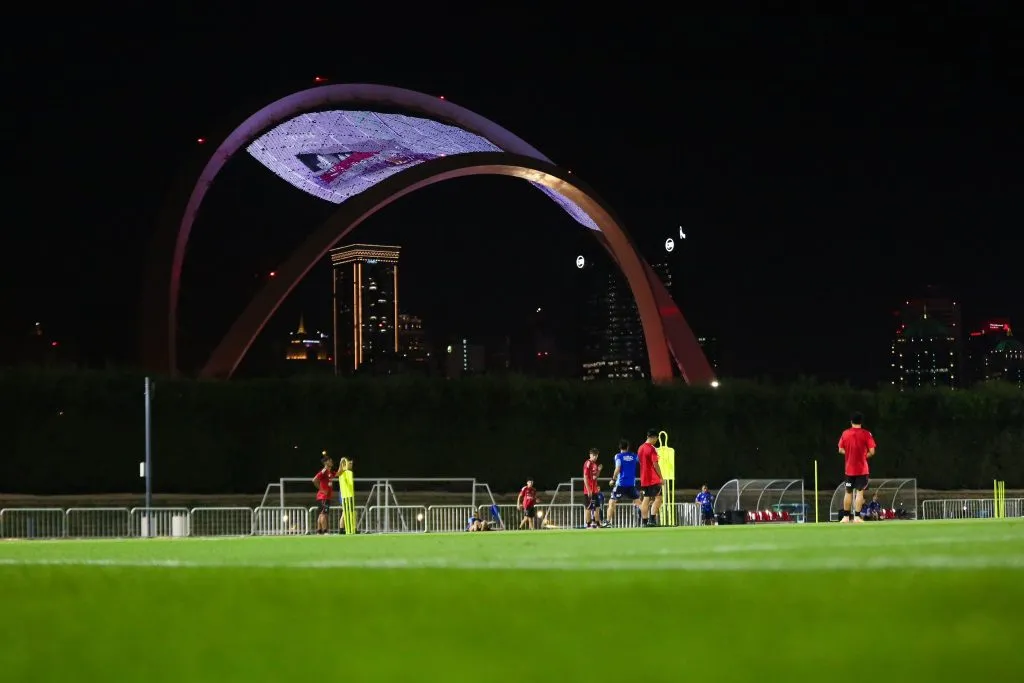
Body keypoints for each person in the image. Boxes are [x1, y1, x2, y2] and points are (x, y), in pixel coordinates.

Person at [838, 411, 877, 524]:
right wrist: (864, 456)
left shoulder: (845, 433)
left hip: (849, 469)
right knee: (860, 493)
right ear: (861, 422)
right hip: (862, 469)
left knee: (848, 492)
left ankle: (845, 517)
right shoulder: (866, 434)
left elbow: (840, 449)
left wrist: (850, 454)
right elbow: (872, 451)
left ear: (851, 421)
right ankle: (857, 517)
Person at [606, 439, 641, 526]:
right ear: (628, 447)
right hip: (631, 485)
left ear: (620, 447)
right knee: (639, 503)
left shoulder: (618, 456)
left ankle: (608, 522)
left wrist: (613, 480)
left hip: (621, 484)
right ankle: (645, 520)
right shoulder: (634, 456)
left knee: (612, 502)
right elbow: (641, 461)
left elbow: (617, 468)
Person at [638, 429, 663, 527]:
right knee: (659, 498)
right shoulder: (651, 449)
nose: (656, 441)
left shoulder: (640, 448)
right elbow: (655, 464)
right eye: (656, 439)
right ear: (652, 437)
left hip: (644, 477)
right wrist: (661, 477)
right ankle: (652, 520)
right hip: (653, 478)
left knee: (646, 498)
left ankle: (644, 522)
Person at [312, 454, 340, 535]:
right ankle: (325, 531)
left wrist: (342, 463)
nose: (331, 462)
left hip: (325, 497)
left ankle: (319, 531)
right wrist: (322, 490)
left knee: (321, 514)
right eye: (330, 461)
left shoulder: (330, 472)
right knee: (324, 514)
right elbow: (314, 480)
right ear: (325, 462)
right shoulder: (324, 471)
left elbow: (339, 473)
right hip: (323, 497)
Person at [583, 448, 607, 528]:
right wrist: (589, 490)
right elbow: (585, 477)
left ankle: (598, 524)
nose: (595, 457)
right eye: (593, 455)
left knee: (597, 507)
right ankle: (588, 525)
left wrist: (599, 470)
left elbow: (595, 477)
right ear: (590, 455)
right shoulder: (588, 463)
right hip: (589, 491)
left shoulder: (595, 464)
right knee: (588, 508)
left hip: (595, 490)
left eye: (596, 455)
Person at [337, 458, 355, 534]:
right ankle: (341, 529)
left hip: (348, 494)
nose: (351, 465)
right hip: (344, 495)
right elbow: (338, 472)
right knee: (345, 512)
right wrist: (341, 462)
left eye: (351, 464)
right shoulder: (343, 471)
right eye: (350, 464)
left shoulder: (349, 473)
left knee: (350, 512)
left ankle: (349, 528)